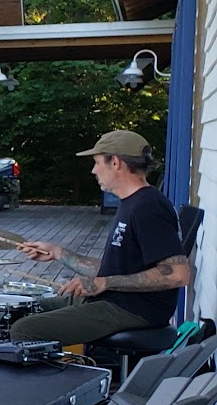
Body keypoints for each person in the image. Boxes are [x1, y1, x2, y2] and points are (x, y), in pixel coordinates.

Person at [12, 131, 190, 346]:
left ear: (115, 162)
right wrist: (58, 252)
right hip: (115, 301)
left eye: (97, 163)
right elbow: (114, 270)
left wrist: (105, 283)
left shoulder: (148, 207)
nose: (93, 170)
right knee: (22, 309)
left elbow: (178, 274)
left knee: (25, 330)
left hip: (134, 310)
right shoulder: (131, 202)